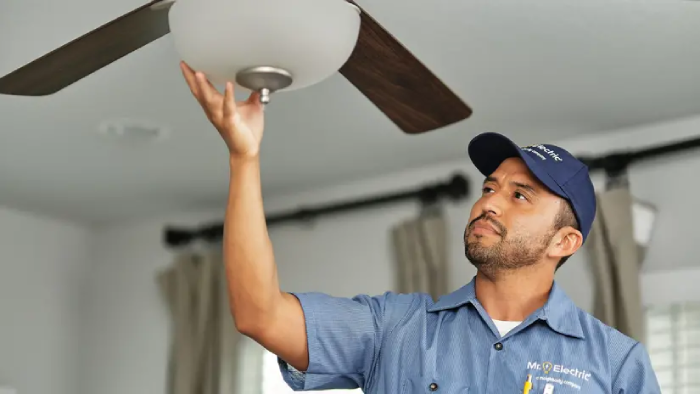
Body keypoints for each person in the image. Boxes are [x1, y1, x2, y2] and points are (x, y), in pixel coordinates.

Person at [179, 62, 661, 394]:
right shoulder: (394, 329)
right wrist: (244, 158)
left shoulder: (616, 363)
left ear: (565, 241)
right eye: (490, 187)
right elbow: (258, 315)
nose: (489, 202)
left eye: (520, 195)